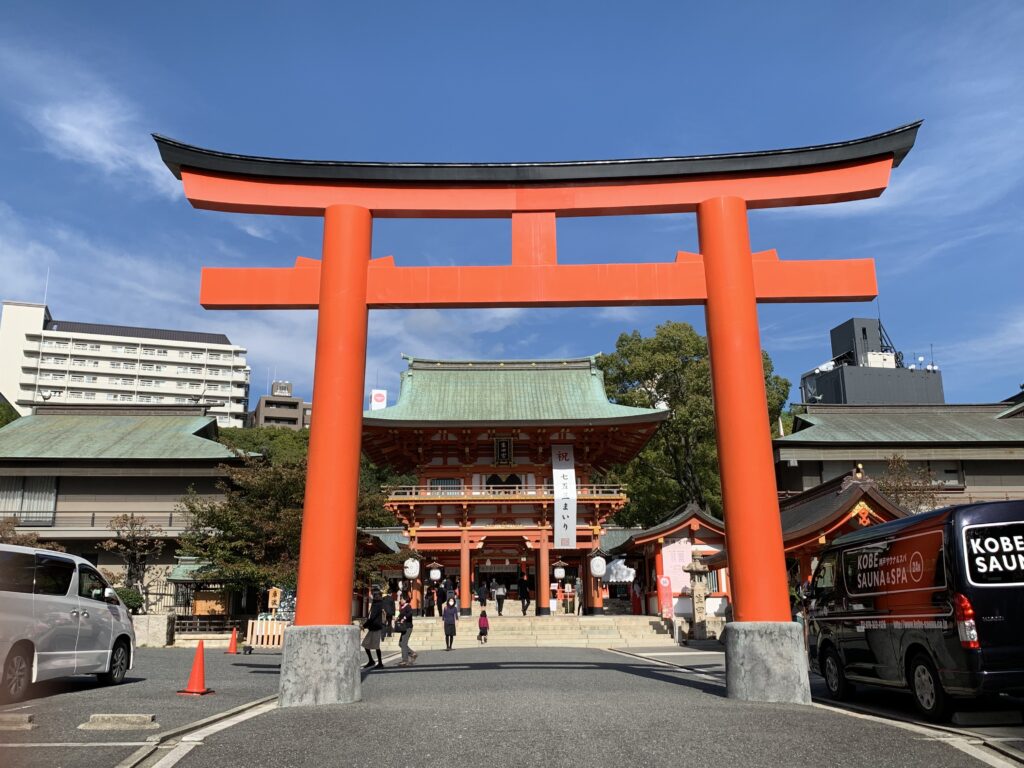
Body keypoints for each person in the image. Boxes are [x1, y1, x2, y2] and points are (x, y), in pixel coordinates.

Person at [361, 588, 385, 669]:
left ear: (376, 595)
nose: (371, 595)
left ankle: (380, 663)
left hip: (376, 627)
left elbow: (372, 617)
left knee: (376, 646)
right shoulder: (375, 603)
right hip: (373, 627)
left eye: (372, 594)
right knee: (365, 644)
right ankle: (371, 660)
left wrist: (364, 625)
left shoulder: (378, 604)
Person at [396, 595, 418, 667]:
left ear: (405, 599)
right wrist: (398, 618)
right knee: (400, 643)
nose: (400, 600)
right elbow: (401, 615)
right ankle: (412, 653)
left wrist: (404, 618)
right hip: (403, 627)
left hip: (408, 627)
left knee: (404, 643)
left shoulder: (408, 606)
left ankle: (405, 660)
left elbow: (410, 613)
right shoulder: (402, 607)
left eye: (401, 599)